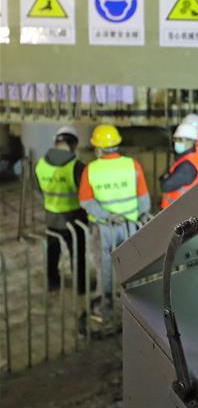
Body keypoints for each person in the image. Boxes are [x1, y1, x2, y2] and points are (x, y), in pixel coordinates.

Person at [79, 124, 151, 313]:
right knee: (133, 263)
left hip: (105, 228)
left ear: (99, 148)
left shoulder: (91, 169)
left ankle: (106, 303)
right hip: (132, 227)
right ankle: (137, 305)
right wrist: (141, 216)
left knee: (105, 264)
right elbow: (144, 198)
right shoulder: (132, 165)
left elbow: (86, 201)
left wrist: (108, 215)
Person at [34, 126, 87, 293]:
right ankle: (80, 286)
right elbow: (85, 192)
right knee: (77, 253)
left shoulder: (40, 164)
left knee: (52, 251)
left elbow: (37, 188)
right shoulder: (77, 166)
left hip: (51, 216)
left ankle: (52, 282)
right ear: (74, 144)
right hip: (74, 216)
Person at [160, 122, 198, 209]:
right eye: (175, 139)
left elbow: (165, 186)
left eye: (180, 140)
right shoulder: (186, 159)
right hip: (178, 211)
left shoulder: (187, 166)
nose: (176, 143)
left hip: (178, 213)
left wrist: (166, 178)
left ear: (191, 141)